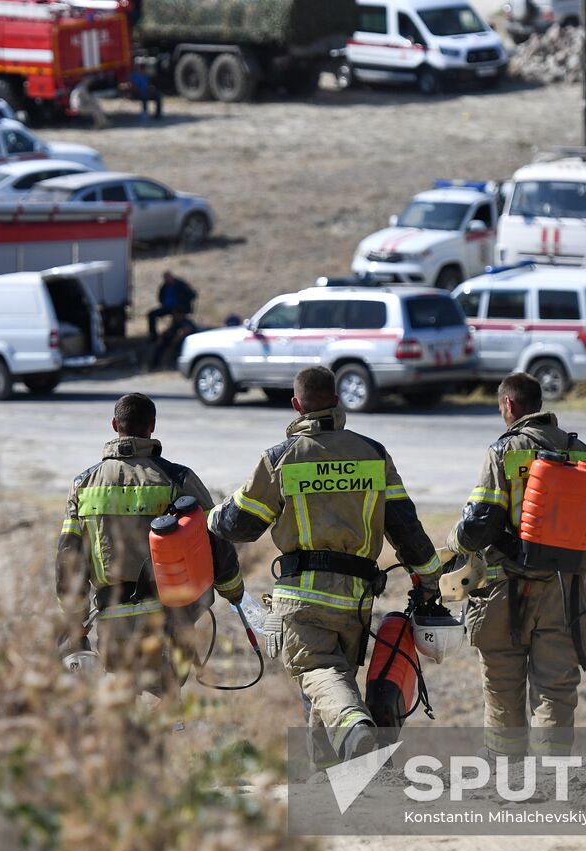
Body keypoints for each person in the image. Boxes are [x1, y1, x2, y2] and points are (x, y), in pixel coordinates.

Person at [209, 366, 443, 766]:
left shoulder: (281, 459)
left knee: (317, 672)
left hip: (301, 595)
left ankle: (355, 728)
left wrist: (210, 517)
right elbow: (405, 526)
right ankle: (331, 776)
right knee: (328, 685)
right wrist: (429, 576)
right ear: (337, 401)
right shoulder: (373, 453)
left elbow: (238, 525)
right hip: (355, 599)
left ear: (297, 405)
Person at [447, 372, 586, 759]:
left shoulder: (503, 450)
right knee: (555, 689)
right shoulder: (580, 450)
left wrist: (454, 544)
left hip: (505, 590)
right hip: (564, 590)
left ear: (509, 405)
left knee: (503, 689)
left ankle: (507, 779)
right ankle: (552, 780)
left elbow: (480, 523)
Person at [56, 393, 245, 697]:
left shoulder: (84, 484)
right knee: (167, 701)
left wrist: (75, 620)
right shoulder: (178, 479)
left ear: (115, 424)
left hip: (112, 620)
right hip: (168, 615)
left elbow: (69, 558)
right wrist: (233, 590)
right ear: (152, 427)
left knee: (123, 701)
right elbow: (215, 541)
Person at [147, 271, 197, 370]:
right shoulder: (164, 286)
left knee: (176, 344)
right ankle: (153, 337)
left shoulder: (181, 285)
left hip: (180, 307)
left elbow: (192, 295)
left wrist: (182, 304)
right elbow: (160, 297)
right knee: (152, 315)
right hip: (168, 307)